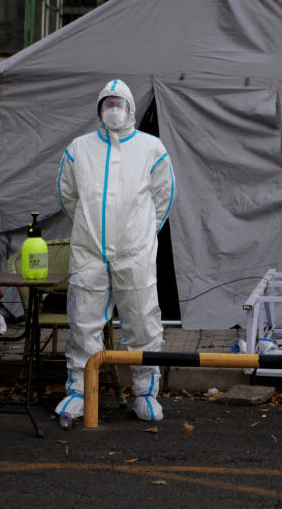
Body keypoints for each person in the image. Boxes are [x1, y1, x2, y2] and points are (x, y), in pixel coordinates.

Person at [54, 79, 175, 422]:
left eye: (118, 102)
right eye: (106, 103)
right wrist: (88, 226)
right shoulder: (79, 148)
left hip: (134, 252)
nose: (112, 109)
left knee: (142, 322)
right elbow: (67, 195)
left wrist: (143, 233)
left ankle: (145, 393)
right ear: (98, 109)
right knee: (83, 323)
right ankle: (80, 392)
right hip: (89, 250)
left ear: (130, 107)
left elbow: (164, 197)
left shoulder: (152, 149)